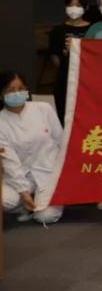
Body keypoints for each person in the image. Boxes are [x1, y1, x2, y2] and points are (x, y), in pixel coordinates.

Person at [0, 72, 64, 224]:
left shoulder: (43, 108)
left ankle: (44, 200)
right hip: (20, 174)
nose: (17, 93)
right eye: (10, 90)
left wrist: (66, 174)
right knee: (4, 200)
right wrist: (23, 191)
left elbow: (61, 140)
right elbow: (10, 161)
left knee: (45, 216)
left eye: (21, 88)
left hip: (48, 171)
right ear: (1, 95)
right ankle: (25, 205)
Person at [48, 0, 91, 119]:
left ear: (86, 7)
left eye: (78, 5)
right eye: (70, 5)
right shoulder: (57, 31)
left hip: (87, 78)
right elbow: (54, 55)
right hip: (64, 79)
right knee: (64, 112)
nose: (74, 8)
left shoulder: (92, 29)